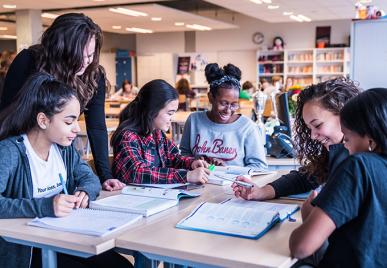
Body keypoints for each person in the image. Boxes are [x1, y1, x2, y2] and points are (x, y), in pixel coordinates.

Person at [0, 73, 131, 268]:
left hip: (64, 237)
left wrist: (85, 191)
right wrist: (46, 206)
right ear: (43, 120)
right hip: (27, 250)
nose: (77, 128)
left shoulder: (64, 150)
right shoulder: (10, 152)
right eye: (69, 122)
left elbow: (89, 178)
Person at [0, 13, 123, 191]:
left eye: (91, 55)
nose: (87, 62)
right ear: (63, 48)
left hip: (61, 150)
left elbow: (96, 127)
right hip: (24, 151)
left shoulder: (94, 74)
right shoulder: (29, 61)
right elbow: (8, 114)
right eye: (81, 55)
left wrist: (105, 175)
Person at [289, 88, 387, 267]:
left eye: (347, 139)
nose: (345, 147)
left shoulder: (359, 165)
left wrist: (308, 214)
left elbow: (301, 247)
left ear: (370, 142)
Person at [232, 77, 360, 200]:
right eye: (309, 128)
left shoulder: (361, 162)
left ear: (344, 114)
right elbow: (307, 176)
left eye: (317, 125)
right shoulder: (337, 152)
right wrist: (261, 192)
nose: (312, 135)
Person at [111, 79, 210, 185]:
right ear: (152, 111)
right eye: (169, 113)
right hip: (134, 198)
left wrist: (191, 163)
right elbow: (136, 172)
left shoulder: (157, 134)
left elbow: (173, 158)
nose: (172, 118)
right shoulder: (127, 137)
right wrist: (186, 175)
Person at [179, 63, 267, 168]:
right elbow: (183, 156)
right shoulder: (194, 121)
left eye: (234, 104)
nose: (228, 110)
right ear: (211, 97)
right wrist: (195, 162)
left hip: (232, 184)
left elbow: (259, 166)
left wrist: (227, 169)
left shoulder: (247, 127)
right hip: (199, 183)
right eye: (223, 103)